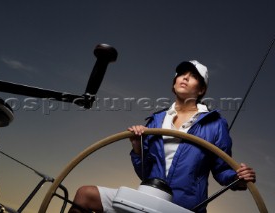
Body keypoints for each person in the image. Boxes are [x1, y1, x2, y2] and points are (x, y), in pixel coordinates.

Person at [68, 60, 256, 213]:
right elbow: (145, 173)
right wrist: (137, 147)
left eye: (193, 77)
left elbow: (223, 171)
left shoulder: (215, 124)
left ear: (201, 90)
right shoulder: (156, 121)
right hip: (148, 198)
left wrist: (239, 178)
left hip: (184, 208)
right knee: (85, 195)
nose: (185, 78)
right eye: (182, 74)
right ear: (174, 84)